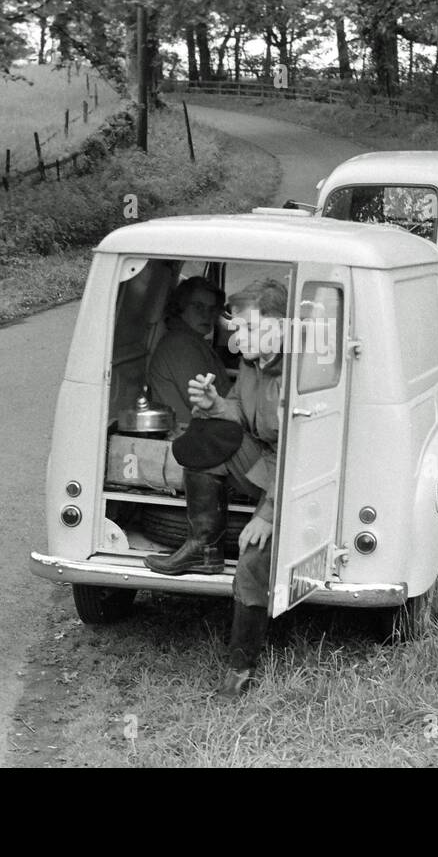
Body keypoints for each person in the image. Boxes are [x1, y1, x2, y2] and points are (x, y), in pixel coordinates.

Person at [142, 277, 287, 700]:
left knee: (252, 559)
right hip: (261, 462)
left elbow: (308, 453)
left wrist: (267, 513)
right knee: (206, 433)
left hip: (293, 481)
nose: (235, 338)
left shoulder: (301, 375)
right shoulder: (251, 365)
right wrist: (214, 405)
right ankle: (203, 546)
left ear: (279, 327)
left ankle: (239, 671)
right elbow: (241, 411)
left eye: (245, 328)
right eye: (235, 328)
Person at [145, 276, 227, 431]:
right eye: (198, 307)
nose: (206, 315)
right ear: (180, 308)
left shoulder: (192, 339)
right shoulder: (181, 345)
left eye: (212, 309)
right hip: (193, 436)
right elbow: (202, 403)